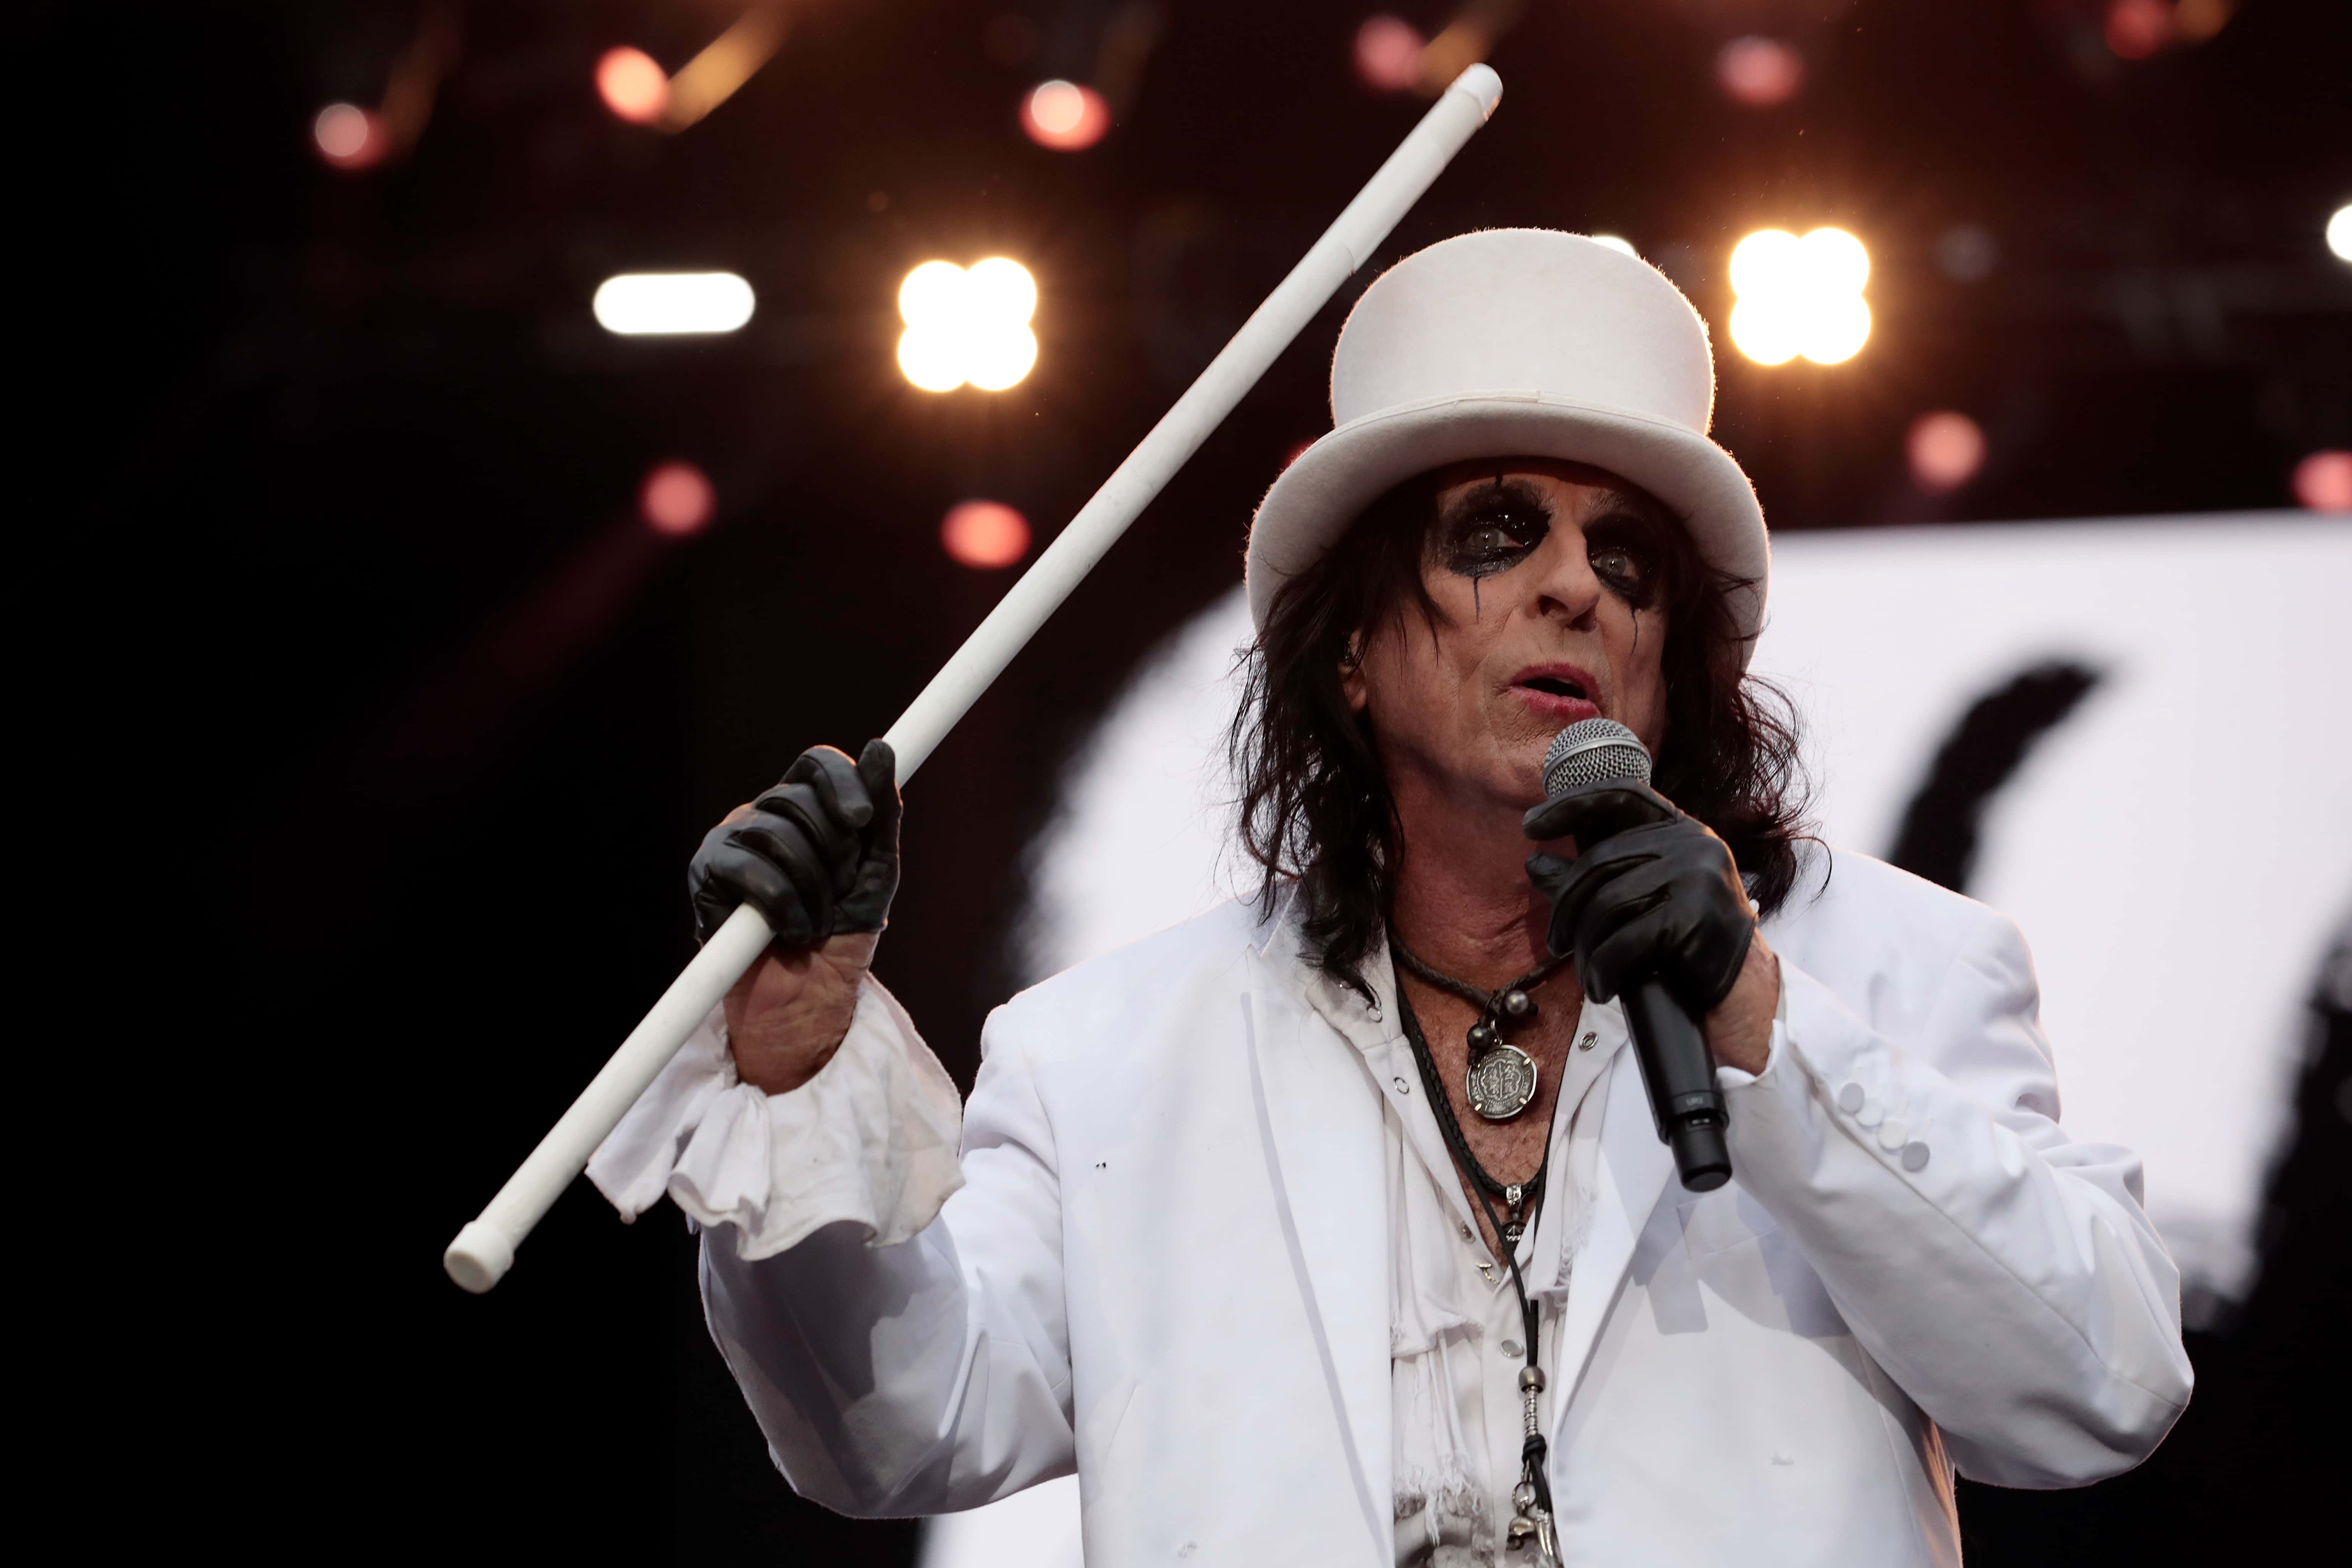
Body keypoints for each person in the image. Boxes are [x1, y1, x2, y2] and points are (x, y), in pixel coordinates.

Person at [589, 231, 2191, 1566]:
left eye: (1627, 558)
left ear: (1668, 656)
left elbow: (2096, 1387)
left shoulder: (1895, 967)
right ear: (1349, 649)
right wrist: (795, 1066)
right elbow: (899, 1426)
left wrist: (1761, 1026)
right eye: (1499, 533)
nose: (1573, 583)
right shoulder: (1114, 1054)